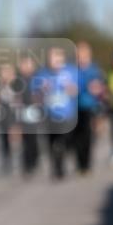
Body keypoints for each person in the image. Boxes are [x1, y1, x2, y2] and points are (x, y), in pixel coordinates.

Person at [33, 46, 78, 179]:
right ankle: (57, 168)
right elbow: (35, 96)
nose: (55, 61)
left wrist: (69, 87)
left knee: (65, 143)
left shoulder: (71, 72)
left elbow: (75, 91)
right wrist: (42, 90)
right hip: (49, 116)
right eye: (52, 58)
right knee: (52, 144)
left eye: (58, 58)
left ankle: (62, 163)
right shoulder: (42, 74)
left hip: (67, 115)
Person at [72, 41, 105, 174]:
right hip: (74, 108)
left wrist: (97, 89)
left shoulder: (94, 70)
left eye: (82, 54)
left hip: (89, 107)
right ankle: (79, 164)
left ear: (88, 54)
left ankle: (86, 165)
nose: (80, 57)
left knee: (87, 137)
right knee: (76, 138)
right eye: (78, 54)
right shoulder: (72, 70)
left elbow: (101, 89)